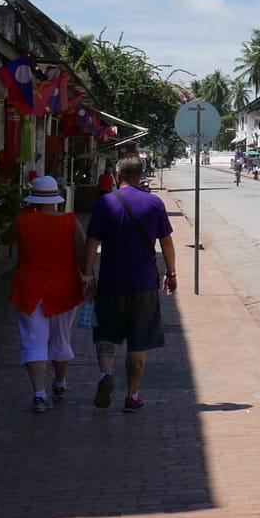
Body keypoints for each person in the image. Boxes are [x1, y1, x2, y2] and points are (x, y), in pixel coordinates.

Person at [82, 156, 179, 412]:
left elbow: (91, 244)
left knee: (106, 334)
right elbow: (166, 243)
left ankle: (106, 376)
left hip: (111, 282)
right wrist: (171, 273)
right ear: (141, 175)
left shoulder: (104, 203)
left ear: (117, 175)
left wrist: (87, 277)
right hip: (144, 284)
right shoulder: (154, 203)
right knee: (138, 342)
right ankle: (133, 396)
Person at [5, 175, 85, 413]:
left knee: (33, 339)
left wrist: (25, 213)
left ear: (33, 198)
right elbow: (82, 256)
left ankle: (39, 394)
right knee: (61, 338)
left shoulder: (23, 221)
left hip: (30, 288)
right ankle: (59, 383)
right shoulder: (71, 222)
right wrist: (90, 281)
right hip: (65, 288)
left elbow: (4, 238)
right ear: (57, 198)